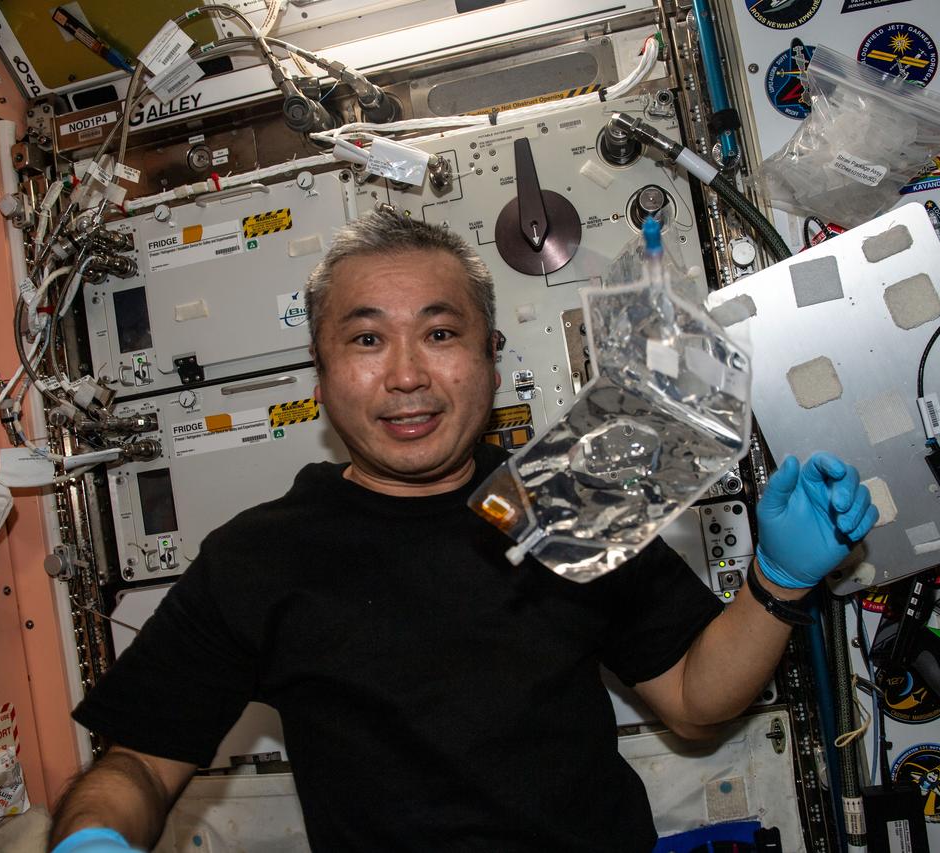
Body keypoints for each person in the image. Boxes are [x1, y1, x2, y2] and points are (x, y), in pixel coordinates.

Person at [49, 210, 877, 853]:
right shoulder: (257, 558)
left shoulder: (568, 494)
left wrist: (777, 581)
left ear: (491, 353)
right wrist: (94, 834)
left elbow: (696, 700)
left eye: (440, 334)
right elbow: (139, 762)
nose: (407, 375)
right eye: (367, 339)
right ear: (323, 373)